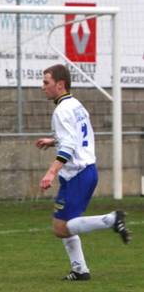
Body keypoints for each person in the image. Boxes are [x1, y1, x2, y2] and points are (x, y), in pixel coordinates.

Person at [36, 64, 131, 281]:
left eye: (46, 83)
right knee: (66, 222)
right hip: (83, 171)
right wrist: (53, 141)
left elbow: (69, 147)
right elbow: (77, 137)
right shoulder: (76, 105)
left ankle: (111, 219)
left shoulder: (61, 111)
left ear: (60, 85)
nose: (43, 87)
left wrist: (51, 172)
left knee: (61, 228)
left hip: (78, 174)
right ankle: (79, 269)